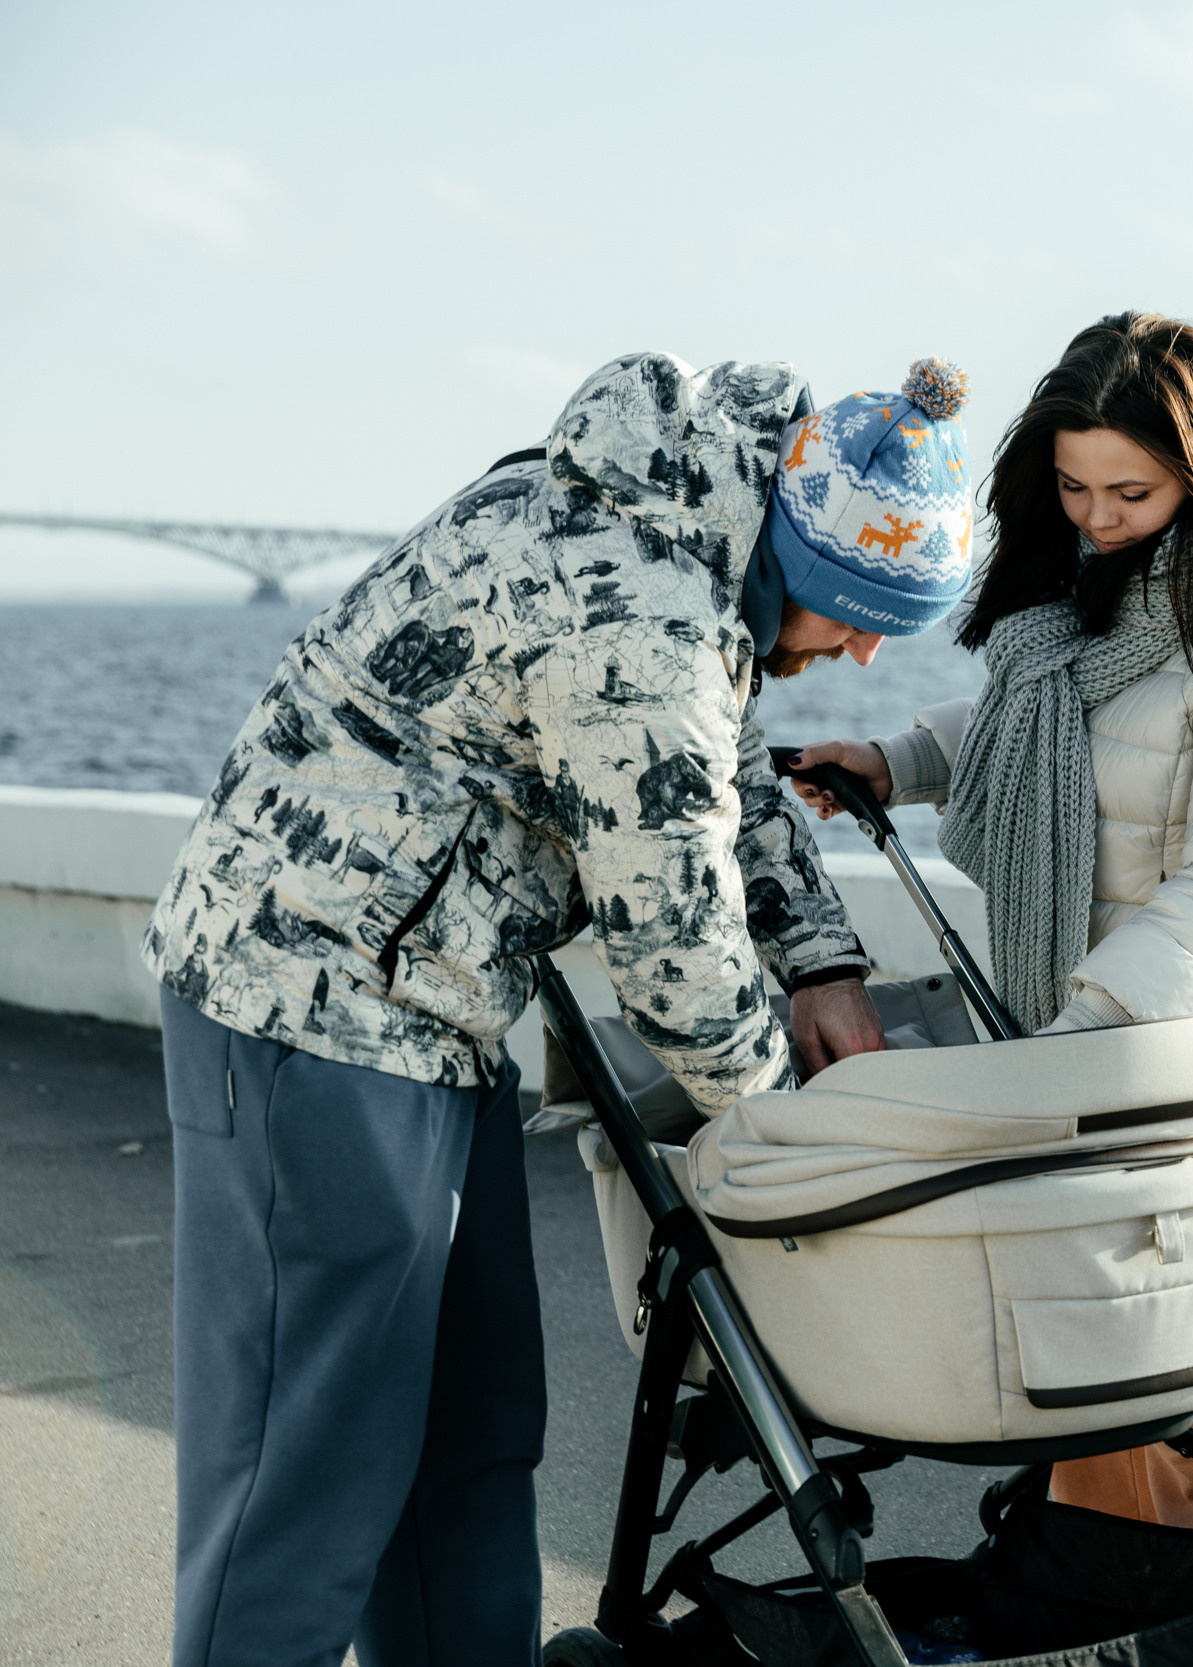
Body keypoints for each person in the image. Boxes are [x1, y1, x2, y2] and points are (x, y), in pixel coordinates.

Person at [141, 350, 976, 1667]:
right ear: (806, 554)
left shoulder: (701, 538)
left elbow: (719, 765)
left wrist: (822, 959)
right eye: (861, 610)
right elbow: (678, 955)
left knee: (470, 1434)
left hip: (436, 1011)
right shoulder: (641, 622)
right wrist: (802, 1154)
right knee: (311, 1468)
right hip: (304, 1009)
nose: (867, 646)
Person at [791, 312, 1193, 1530]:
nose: (1095, 517)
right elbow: (1032, 716)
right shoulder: (1087, 605)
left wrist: (1086, 1033)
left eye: (1130, 492)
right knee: (1097, 1348)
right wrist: (898, 760)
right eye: (1070, 486)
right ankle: (1092, 1586)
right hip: (1103, 1048)